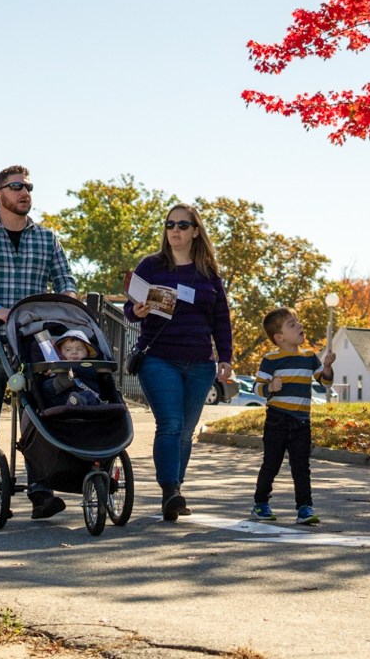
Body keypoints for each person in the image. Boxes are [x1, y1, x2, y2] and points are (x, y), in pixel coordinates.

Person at [0, 165, 78, 520]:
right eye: (16, 187)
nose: (25, 192)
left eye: (28, 187)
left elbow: (65, 278)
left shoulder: (47, 239)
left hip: (33, 347)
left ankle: (41, 492)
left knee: (38, 419)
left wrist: (66, 304)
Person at [123, 203, 233, 521]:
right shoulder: (152, 265)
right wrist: (136, 311)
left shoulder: (208, 274)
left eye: (183, 225)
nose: (175, 230)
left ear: (196, 231)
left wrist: (225, 358)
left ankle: (176, 486)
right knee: (169, 425)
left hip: (200, 364)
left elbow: (221, 319)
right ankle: (170, 490)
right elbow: (132, 307)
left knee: (186, 431)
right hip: (159, 359)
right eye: (170, 224)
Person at [250, 307, 335, 526]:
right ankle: (260, 503)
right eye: (292, 324)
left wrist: (327, 367)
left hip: (302, 421)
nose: (300, 326)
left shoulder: (309, 357)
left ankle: (305, 507)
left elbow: (325, 382)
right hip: (277, 419)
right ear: (279, 337)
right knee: (271, 463)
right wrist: (271, 386)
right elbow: (256, 388)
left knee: (301, 465)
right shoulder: (271, 359)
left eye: (298, 322)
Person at [37, 330, 104, 409]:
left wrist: (71, 368)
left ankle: (77, 402)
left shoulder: (90, 365)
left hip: (86, 398)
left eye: (79, 349)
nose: (74, 352)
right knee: (47, 386)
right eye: (68, 350)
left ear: (88, 352)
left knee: (87, 395)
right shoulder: (57, 365)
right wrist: (51, 371)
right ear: (60, 353)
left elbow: (92, 374)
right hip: (62, 401)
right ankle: (64, 386)